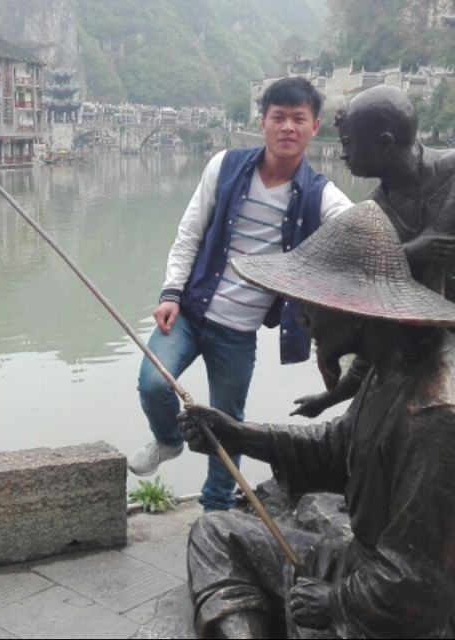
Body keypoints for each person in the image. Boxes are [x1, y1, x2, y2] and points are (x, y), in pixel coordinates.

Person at [179, 200, 455, 639]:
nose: (303, 318)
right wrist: (239, 436)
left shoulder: (433, 415)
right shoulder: (389, 365)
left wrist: (335, 602)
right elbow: (336, 448)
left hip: (396, 612)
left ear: (355, 310)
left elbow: (420, 585)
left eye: (312, 303)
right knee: (216, 534)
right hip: (362, 568)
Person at [127, 77, 352, 512]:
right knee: (153, 383)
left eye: (298, 119)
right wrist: (171, 293)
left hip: (238, 331)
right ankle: (168, 440)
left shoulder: (321, 195)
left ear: (315, 126)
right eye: (278, 117)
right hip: (189, 312)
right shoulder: (225, 166)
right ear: (262, 121)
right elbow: (189, 233)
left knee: (227, 425)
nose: (288, 127)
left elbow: (360, 229)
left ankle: (216, 505)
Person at [292, 84, 455, 418]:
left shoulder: (449, 175)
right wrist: (329, 399)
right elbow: (377, 326)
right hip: (420, 361)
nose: (343, 155)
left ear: (384, 143)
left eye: (349, 144)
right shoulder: (372, 214)